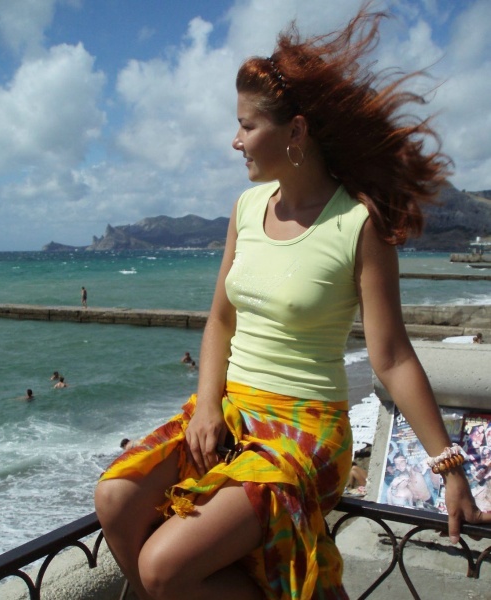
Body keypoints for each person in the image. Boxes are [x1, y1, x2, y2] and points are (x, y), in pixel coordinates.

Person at [94, 8, 491, 599]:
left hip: (304, 428)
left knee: (162, 567)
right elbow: (221, 321)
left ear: (295, 131)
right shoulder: (245, 208)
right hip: (232, 410)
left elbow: (392, 357)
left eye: (246, 126)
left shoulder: (358, 224)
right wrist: (207, 406)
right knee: (114, 498)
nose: (235, 141)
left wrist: (449, 466)